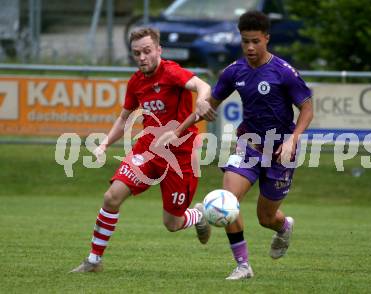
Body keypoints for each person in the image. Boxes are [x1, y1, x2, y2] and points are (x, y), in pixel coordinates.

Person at [70, 28, 212, 273]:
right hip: (147, 151)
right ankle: (93, 261)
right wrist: (104, 143)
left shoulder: (172, 72)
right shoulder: (136, 82)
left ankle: (198, 215)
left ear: (159, 50)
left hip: (180, 157)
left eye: (147, 51)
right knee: (111, 197)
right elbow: (125, 118)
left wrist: (201, 99)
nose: (142, 57)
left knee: (172, 223)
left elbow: (203, 85)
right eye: (137, 53)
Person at [196, 11, 313, 280]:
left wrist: (292, 140)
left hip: (280, 152)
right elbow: (208, 105)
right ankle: (243, 265)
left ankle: (284, 227)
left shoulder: (283, 72)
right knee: (228, 202)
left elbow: (307, 109)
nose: (250, 47)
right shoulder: (234, 71)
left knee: (266, 218)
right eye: (245, 41)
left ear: (266, 39)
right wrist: (201, 105)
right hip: (248, 146)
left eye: (255, 41)